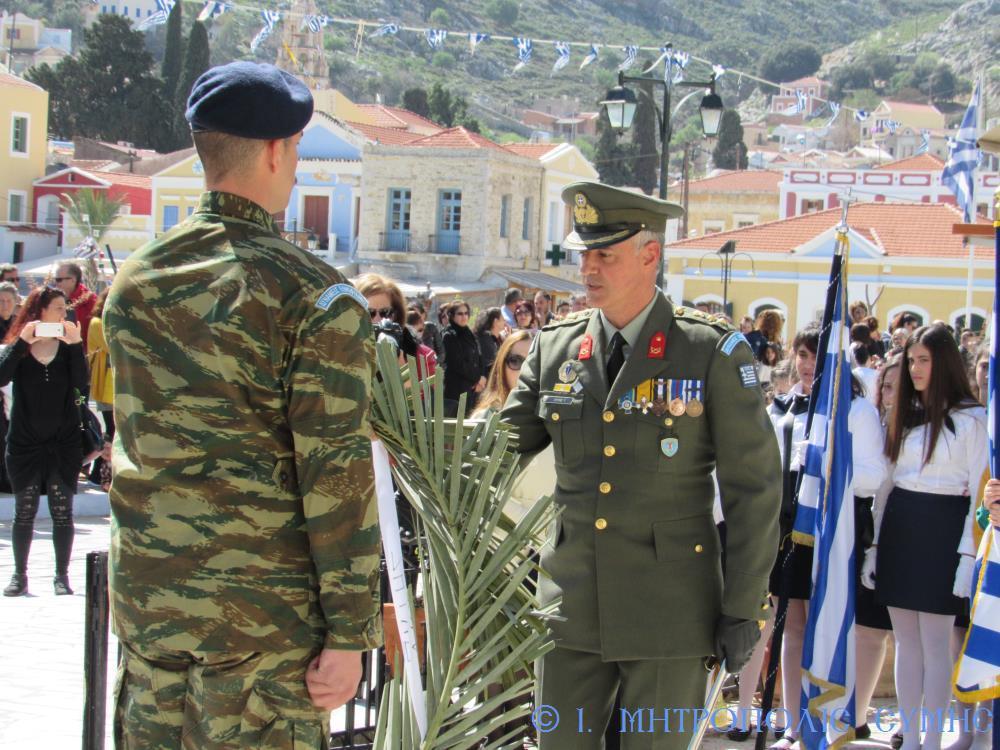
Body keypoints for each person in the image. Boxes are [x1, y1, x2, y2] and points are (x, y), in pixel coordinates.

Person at [104, 62, 382, 747]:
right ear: (275, 151)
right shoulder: (314, 297)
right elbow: (335, 475)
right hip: (261, 627)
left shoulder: (136, 282)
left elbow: (133, 439)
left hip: (152, 613)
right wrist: (350, 633)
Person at [501, 181, 781, 750]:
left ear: (650, 254)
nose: (589, 268)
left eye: (606, 254)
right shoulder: (555, 348)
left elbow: (755, 490)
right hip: (570, 611)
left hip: (668, 614)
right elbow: (498, 448)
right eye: (585, 254)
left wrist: (743, 606)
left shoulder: (709, 351)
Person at [737, 326, 887, 744]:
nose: (806, 364)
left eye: (814, 355)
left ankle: (831, 717)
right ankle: (792, 722)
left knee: (830, 624)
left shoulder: (856, 410)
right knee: (792, 625)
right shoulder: (787, 408)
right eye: (801, 354)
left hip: (836, 532)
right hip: (792, 529)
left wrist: (825, 461)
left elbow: (873, 477)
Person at [863, 324, 987, 750]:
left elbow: (980, 497)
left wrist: (967, 559)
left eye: (923, 360)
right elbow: (887, 482)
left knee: (936, 645)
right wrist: (875, 548)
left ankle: (933, 741)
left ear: (944, 362)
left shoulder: (973, 419)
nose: (914, 369)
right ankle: (911, 739)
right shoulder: (906, 413)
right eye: (911, 360)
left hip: (944, 529)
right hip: (901, 525)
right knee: (905, 644)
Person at [1, 287, 88, 597]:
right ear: (39, 311)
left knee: (62, 511)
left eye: (65, 309)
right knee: (24, 511)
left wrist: (76, 345)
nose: (63, 315)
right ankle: (19, 575)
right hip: (25, 442)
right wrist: (23, 341)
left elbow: (82, 385)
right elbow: (1, 376)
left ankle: (61, 576)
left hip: (62, 442)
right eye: (57, 309)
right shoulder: (20, 348)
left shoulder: (68, 349)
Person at [356, 273, 436, 379]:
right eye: (369, 313)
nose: (377, 320)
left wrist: (403, 371)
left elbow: (425, 395)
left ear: (397, 314)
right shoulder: (335, 353)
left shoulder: (422, 357)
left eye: (386, 312)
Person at [86, 288, 114, 485]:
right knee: (110, 430)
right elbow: (112, 345)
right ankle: (98, 473)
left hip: (115, 387)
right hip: (105, 387)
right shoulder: (97, 323)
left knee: (113, 430)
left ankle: (101, 473)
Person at [442, 300, 485, 416]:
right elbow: (458, 364)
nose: (464, 316)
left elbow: (478, 357)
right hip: (457, 389)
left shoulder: (469, 333)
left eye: (466, 313)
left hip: (473, 388)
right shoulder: (449, 335)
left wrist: (481, 377)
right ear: (452, 316)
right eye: (460, 314)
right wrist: (477, 379)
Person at [53, 261, 98, 348]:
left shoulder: (90, 300)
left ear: (73, 280)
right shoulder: (52, 300)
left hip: (82, 353)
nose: (56, 283)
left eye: (59, 280)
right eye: (55, 280)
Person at [474, 307, 506, 376]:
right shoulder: (485, 339)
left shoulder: (495, 338)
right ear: (495, 321)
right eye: (503, 319)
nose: (505, 322)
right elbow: (490, 364)